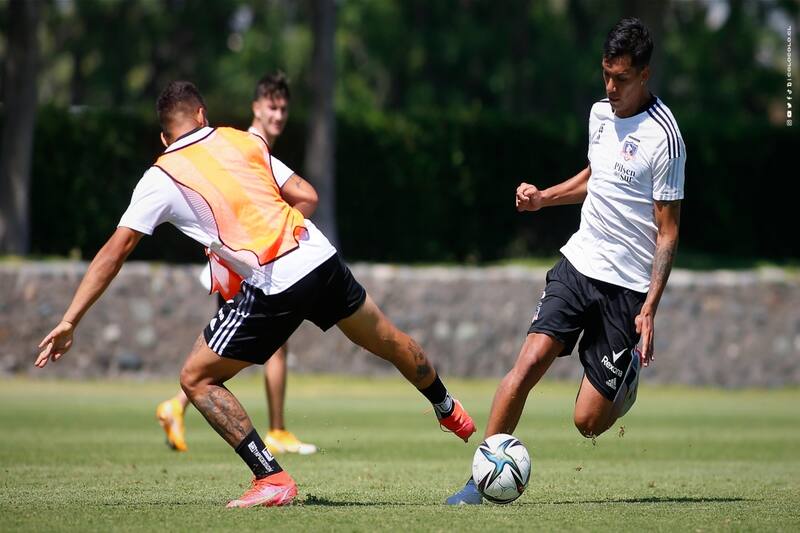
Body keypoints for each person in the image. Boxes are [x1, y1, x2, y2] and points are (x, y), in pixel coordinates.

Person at [36, 81, 476, 508]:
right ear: (202, 115)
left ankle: (271, 478)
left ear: (164, 136)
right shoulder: (242, 140)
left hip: (276, 280)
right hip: (318, 254)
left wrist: (70, 320)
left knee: (196, 378)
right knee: (387, 338)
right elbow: (305, 194)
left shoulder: (162, 174)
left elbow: (116, 250)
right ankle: (448, 407)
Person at [446, 17, 684, 504]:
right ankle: (478, 482)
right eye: (606, 75)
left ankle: (623, 382)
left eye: (621, 78)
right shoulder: (600, 114)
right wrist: (543, 198)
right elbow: (595, 177)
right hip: (579, 265)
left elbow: (668, 231)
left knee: (587, 422)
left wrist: (650, 308)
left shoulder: (666, 138)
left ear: (644, 74)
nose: (610, 87)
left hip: (626, 289)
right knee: (528, 363)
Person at [156, 72, 317, 456]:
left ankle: (176, 406)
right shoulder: (247, 144)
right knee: (268, 345)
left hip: (244, 261)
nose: (278, 115)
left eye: (283, 109)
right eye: (272, 107)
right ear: (256, 107)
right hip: (247, 264)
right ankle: (276, 430)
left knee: (235, 345)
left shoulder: (250, 144)